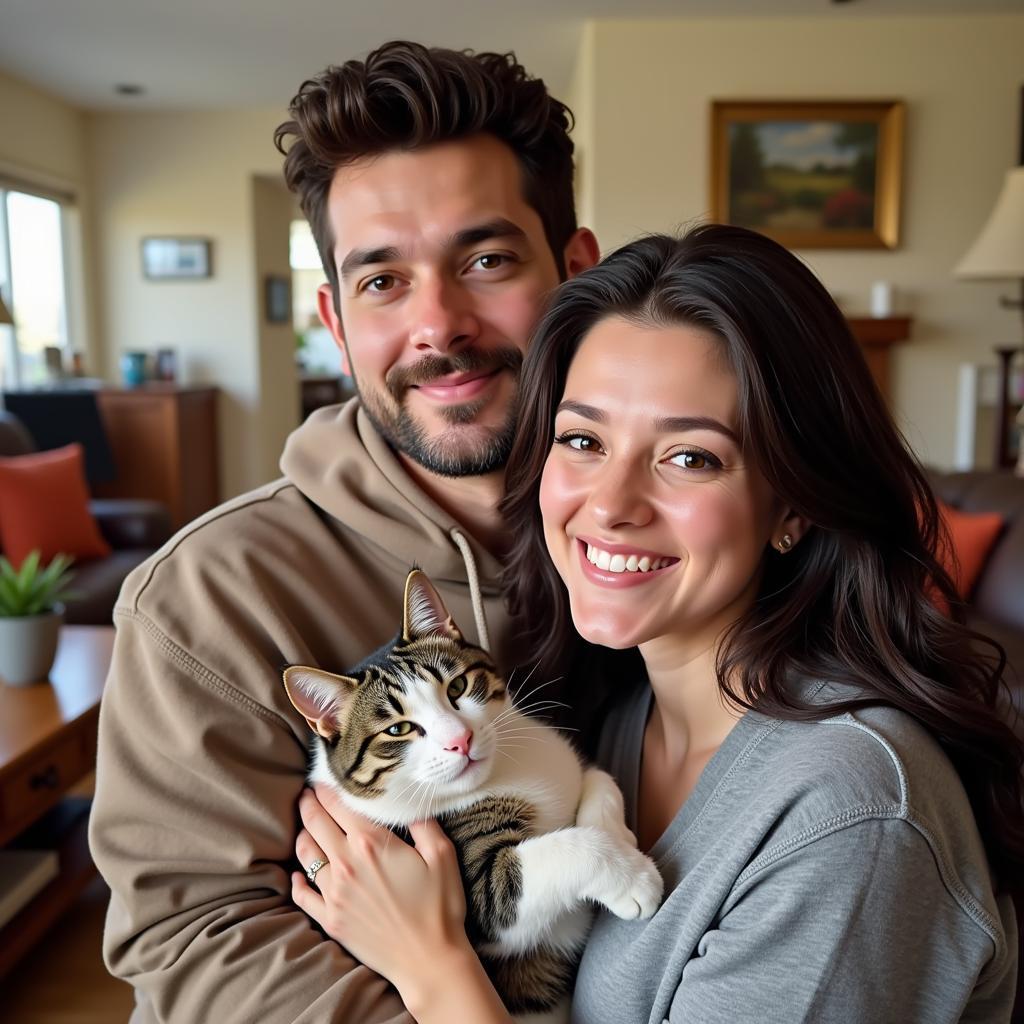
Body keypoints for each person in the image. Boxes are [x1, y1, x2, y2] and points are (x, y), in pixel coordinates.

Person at [292, 226, 1023, 1023]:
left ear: (792, 505)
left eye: (690, 457)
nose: (609, 505)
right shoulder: (615, 717)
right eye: (582, 440)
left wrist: (431, 967)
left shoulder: (850, 815)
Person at [87, 40, 598, 1023]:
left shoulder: (646, 546)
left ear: (577, 271)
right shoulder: (212, 594)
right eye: (381, 281)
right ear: (333, 316)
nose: (438, 325)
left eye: (485, 260)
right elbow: (194, 943)